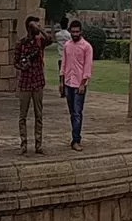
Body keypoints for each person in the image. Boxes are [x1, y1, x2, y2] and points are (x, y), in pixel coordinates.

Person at [13, 15, 53, 155]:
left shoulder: (40, 42)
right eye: (35, 24)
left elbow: (50, 40)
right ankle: (23, 144)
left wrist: (40, 29)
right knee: (22, 115)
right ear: (29, 27)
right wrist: (23, 66)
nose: (37, 26)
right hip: (25, 82)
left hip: (37, 82)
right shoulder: (21, 43)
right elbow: (15, 62)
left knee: (39, 115)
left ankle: (38, 144)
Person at [60, 19, 93, 151]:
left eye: (77, 31)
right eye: (73, 31)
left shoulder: (86, 47)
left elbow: (87, 67)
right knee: (72, 112)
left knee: (77, 112)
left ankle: (76, 139)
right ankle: (74, 136)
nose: (75, 34)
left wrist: (83, 83)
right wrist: (61, 81)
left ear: (81, 32)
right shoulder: (67, 45)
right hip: (68, 82)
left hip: (79, 83)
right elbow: (64, 63)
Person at [54, 15, 72, 98]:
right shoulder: (69, 35)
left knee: (61, 75)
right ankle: (68, 90)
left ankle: (62, 91)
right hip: (68, 57)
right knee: (68, 74)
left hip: (60, 56)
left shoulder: (57, 35)